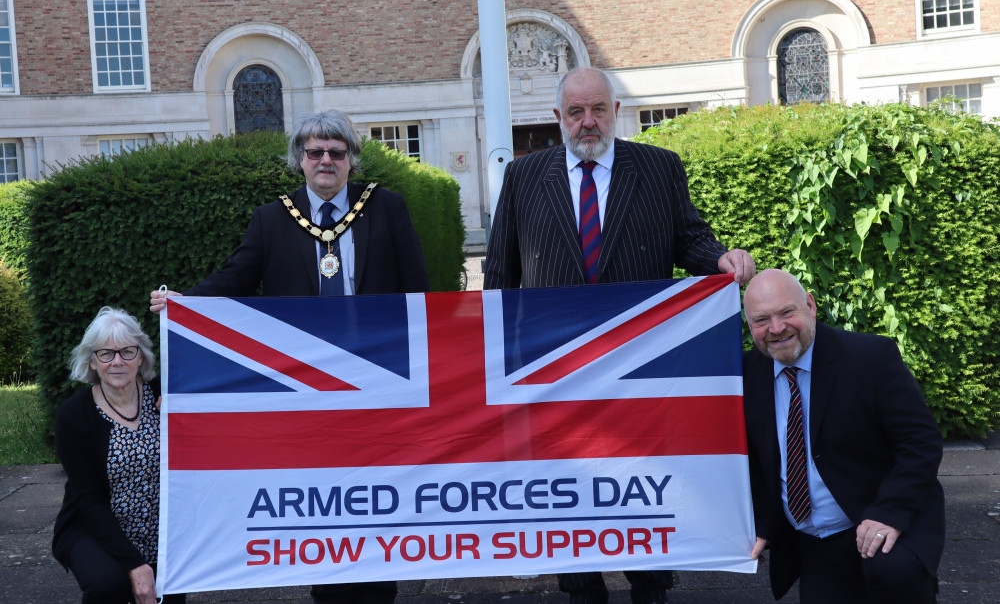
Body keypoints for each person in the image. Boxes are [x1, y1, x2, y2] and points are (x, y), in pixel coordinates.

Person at [483, 66, 755, 604]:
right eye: (577, 112)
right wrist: (497, 360)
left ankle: (651, 581)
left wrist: (719, 258)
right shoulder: (523, 177)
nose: (589, 122)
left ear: (615, 111)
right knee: (569, 479)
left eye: (598, 110)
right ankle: (581, 584)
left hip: (639, 363)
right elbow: (500, 274)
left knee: (641, 474)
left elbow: (689, 237)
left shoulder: (657, 168)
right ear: (557, 117)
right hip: (553, 368)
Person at [150, 109, 430, 604]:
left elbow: (419, 294)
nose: (326, 161)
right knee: (320, 495)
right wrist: (183, 303)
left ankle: (376, 587)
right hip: (308, 389)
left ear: (352, 161)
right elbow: (237, 278)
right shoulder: (272, 218)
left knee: (373, 495)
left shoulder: (387, 208)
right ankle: (328, 589)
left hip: (378, 384)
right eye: (315, 152)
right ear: (299, 160)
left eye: (336, 153)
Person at [742, 269, 945, 603]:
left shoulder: (871, 357)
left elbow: (920, 441)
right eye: (761, 320)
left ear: (810, 305)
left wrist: (890, 513)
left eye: (786, 313)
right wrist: (762, 525)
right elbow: (755, 462)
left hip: (881, 510)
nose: (776, 329)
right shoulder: (747, 374)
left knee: (896, 575)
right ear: (749, 326)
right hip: (815, 540)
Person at [52, 306, 185, 604]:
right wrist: (135, 565)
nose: (117, 362)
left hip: (162, 527)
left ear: (141, 357)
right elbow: (88, 498)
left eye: (127, 352)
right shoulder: (73, 415)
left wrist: (180, 421)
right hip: (95, 526)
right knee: (109, 584)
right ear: (92, 361)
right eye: (106, 354)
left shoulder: (167, 395)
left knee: (171, 588)